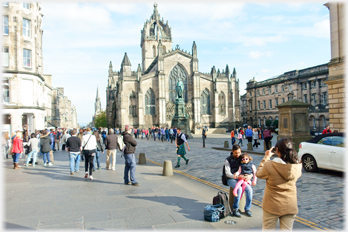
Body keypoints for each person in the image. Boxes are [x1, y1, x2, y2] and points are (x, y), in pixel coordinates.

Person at [256, 138, 302, 230]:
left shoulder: (270, 165)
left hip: (272, 206)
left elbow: (258, 174)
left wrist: (266, 157)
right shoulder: (297, 166)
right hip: (290, 205)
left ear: (277, 150)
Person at [225, 144, 253, 217]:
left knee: (249, 190)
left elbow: (251, 168)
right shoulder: (228, 159)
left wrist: (250, 176)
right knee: (239, 189)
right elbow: (227, 173)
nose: (238, 154)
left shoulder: (243, 158)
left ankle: (247, 209)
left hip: (243, 179)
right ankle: (235, 209)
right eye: (236, 153)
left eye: (239, 152)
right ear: (232, 152)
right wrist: (237, 177)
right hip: (231, 179)